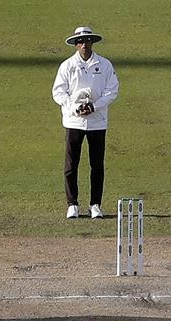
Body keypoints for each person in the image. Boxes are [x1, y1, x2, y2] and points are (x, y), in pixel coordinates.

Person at [51, 26, 119, 219]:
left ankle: (95, 205)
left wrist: (94, 106)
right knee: (72, 164)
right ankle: (72, 204)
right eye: (80, 42)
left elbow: (112, 90)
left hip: (97, 122)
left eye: (88, 41)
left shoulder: (104, 65)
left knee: (97, 164)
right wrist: (74, 107)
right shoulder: (67, 66)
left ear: (92, 43)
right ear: (75, 44)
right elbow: (58, 92)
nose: (84, 45)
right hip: (74, 121)